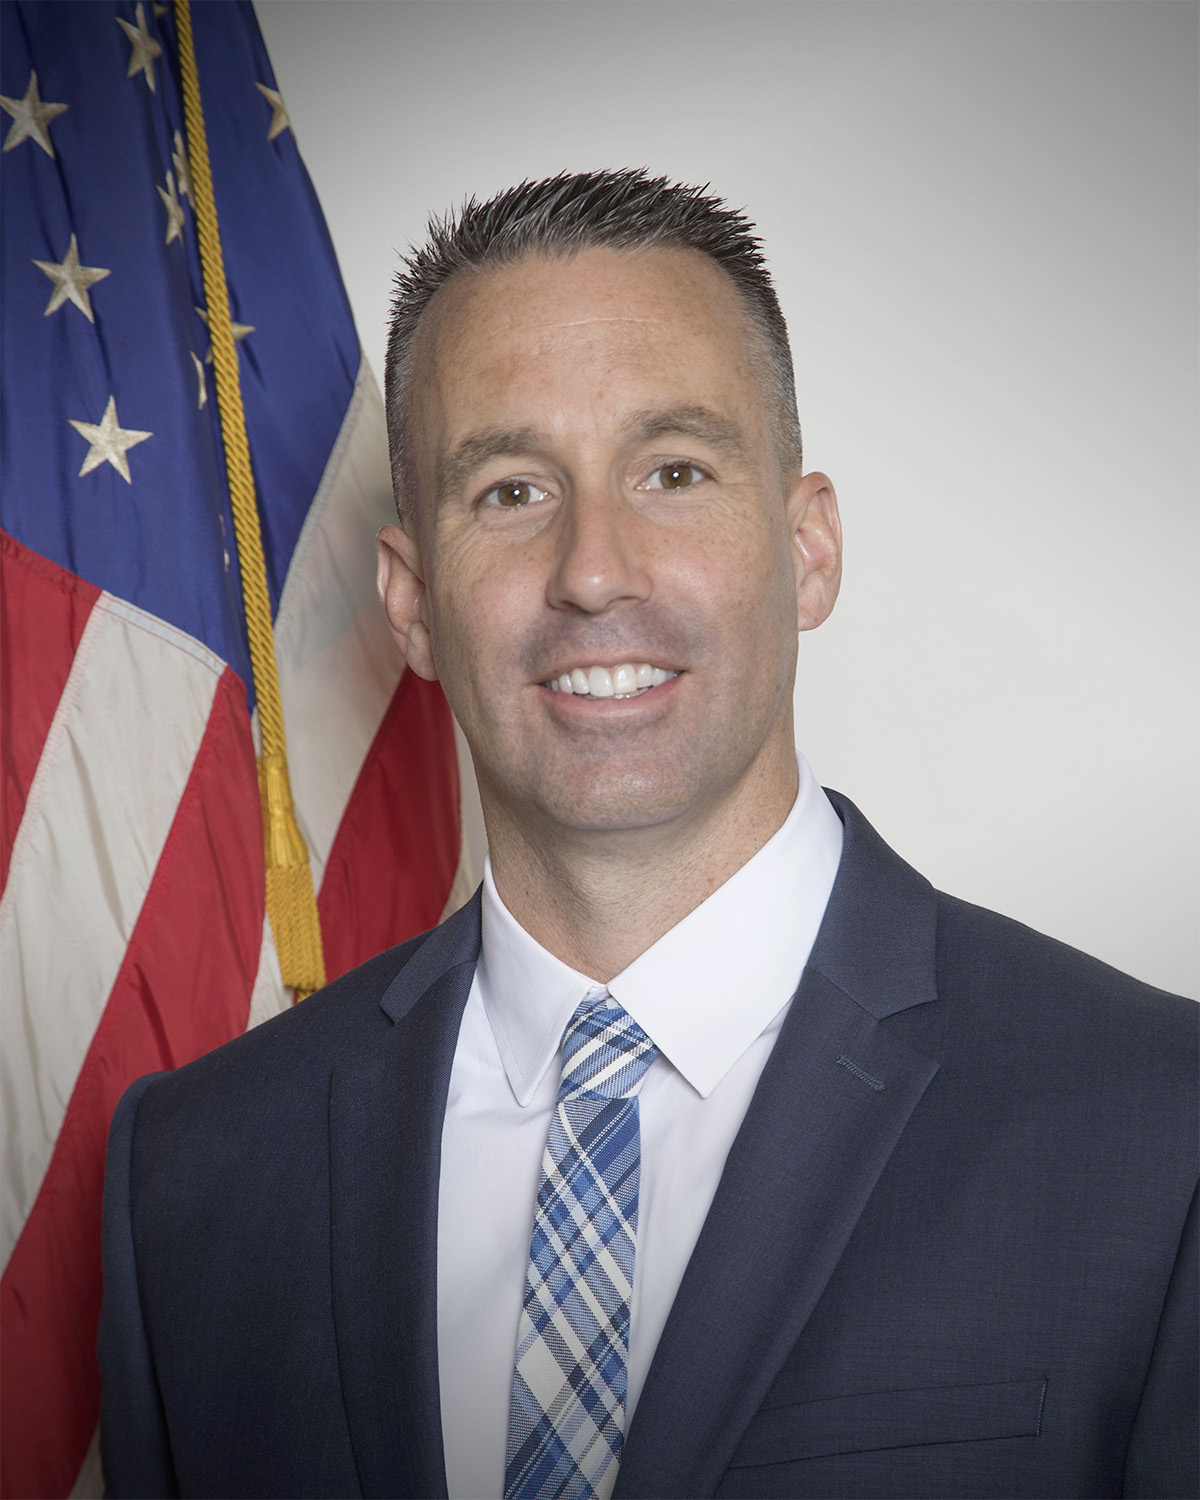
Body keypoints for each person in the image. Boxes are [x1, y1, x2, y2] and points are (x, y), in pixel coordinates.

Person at [99, 170, 1197, 1500]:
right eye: (510, 490)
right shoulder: (194, 1180)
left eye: (674, 472)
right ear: (411, 600)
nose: (593, 569)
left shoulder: (1160, 1130)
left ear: (808, 550)